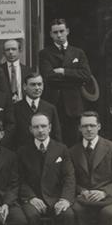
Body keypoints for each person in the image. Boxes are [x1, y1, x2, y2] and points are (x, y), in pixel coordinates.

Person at [18, 113, 76, 225]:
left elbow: (69, 177)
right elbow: (19, 180)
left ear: (50, 128)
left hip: (56, 198)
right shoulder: (23, 151)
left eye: (43, 126)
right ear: (30, 129)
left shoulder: (61, 149)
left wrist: (65, 199)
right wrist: (31, 197)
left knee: (68, 215)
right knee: (31, 215)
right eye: (36, 127)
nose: (40, 130)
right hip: (34, 198)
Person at [38, 18, 93, 146]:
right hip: (54, 101)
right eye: (55, 32)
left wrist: (64, 71)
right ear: (51, 34)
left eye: (61, 31)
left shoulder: (78, 52)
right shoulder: (45, 53)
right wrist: (75, 79)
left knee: (74, 139)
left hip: (74, 104)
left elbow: (86, 75)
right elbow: (48, 76)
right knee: (55, 139)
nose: (59, 35)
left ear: (67, 31)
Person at [11, 72, 62, 149]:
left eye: (39, 84)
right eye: (33, 85)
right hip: (23, 152)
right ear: (24, 86)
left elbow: (56, 135)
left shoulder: (50, 108)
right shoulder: (15, 108)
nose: (37, 88)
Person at [0, 39, 34, 103]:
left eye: (13, 49)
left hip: (23, 105)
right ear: (4, 53)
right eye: (7, 50)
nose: (10, 52)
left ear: (20, 51)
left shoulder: (28, 70)